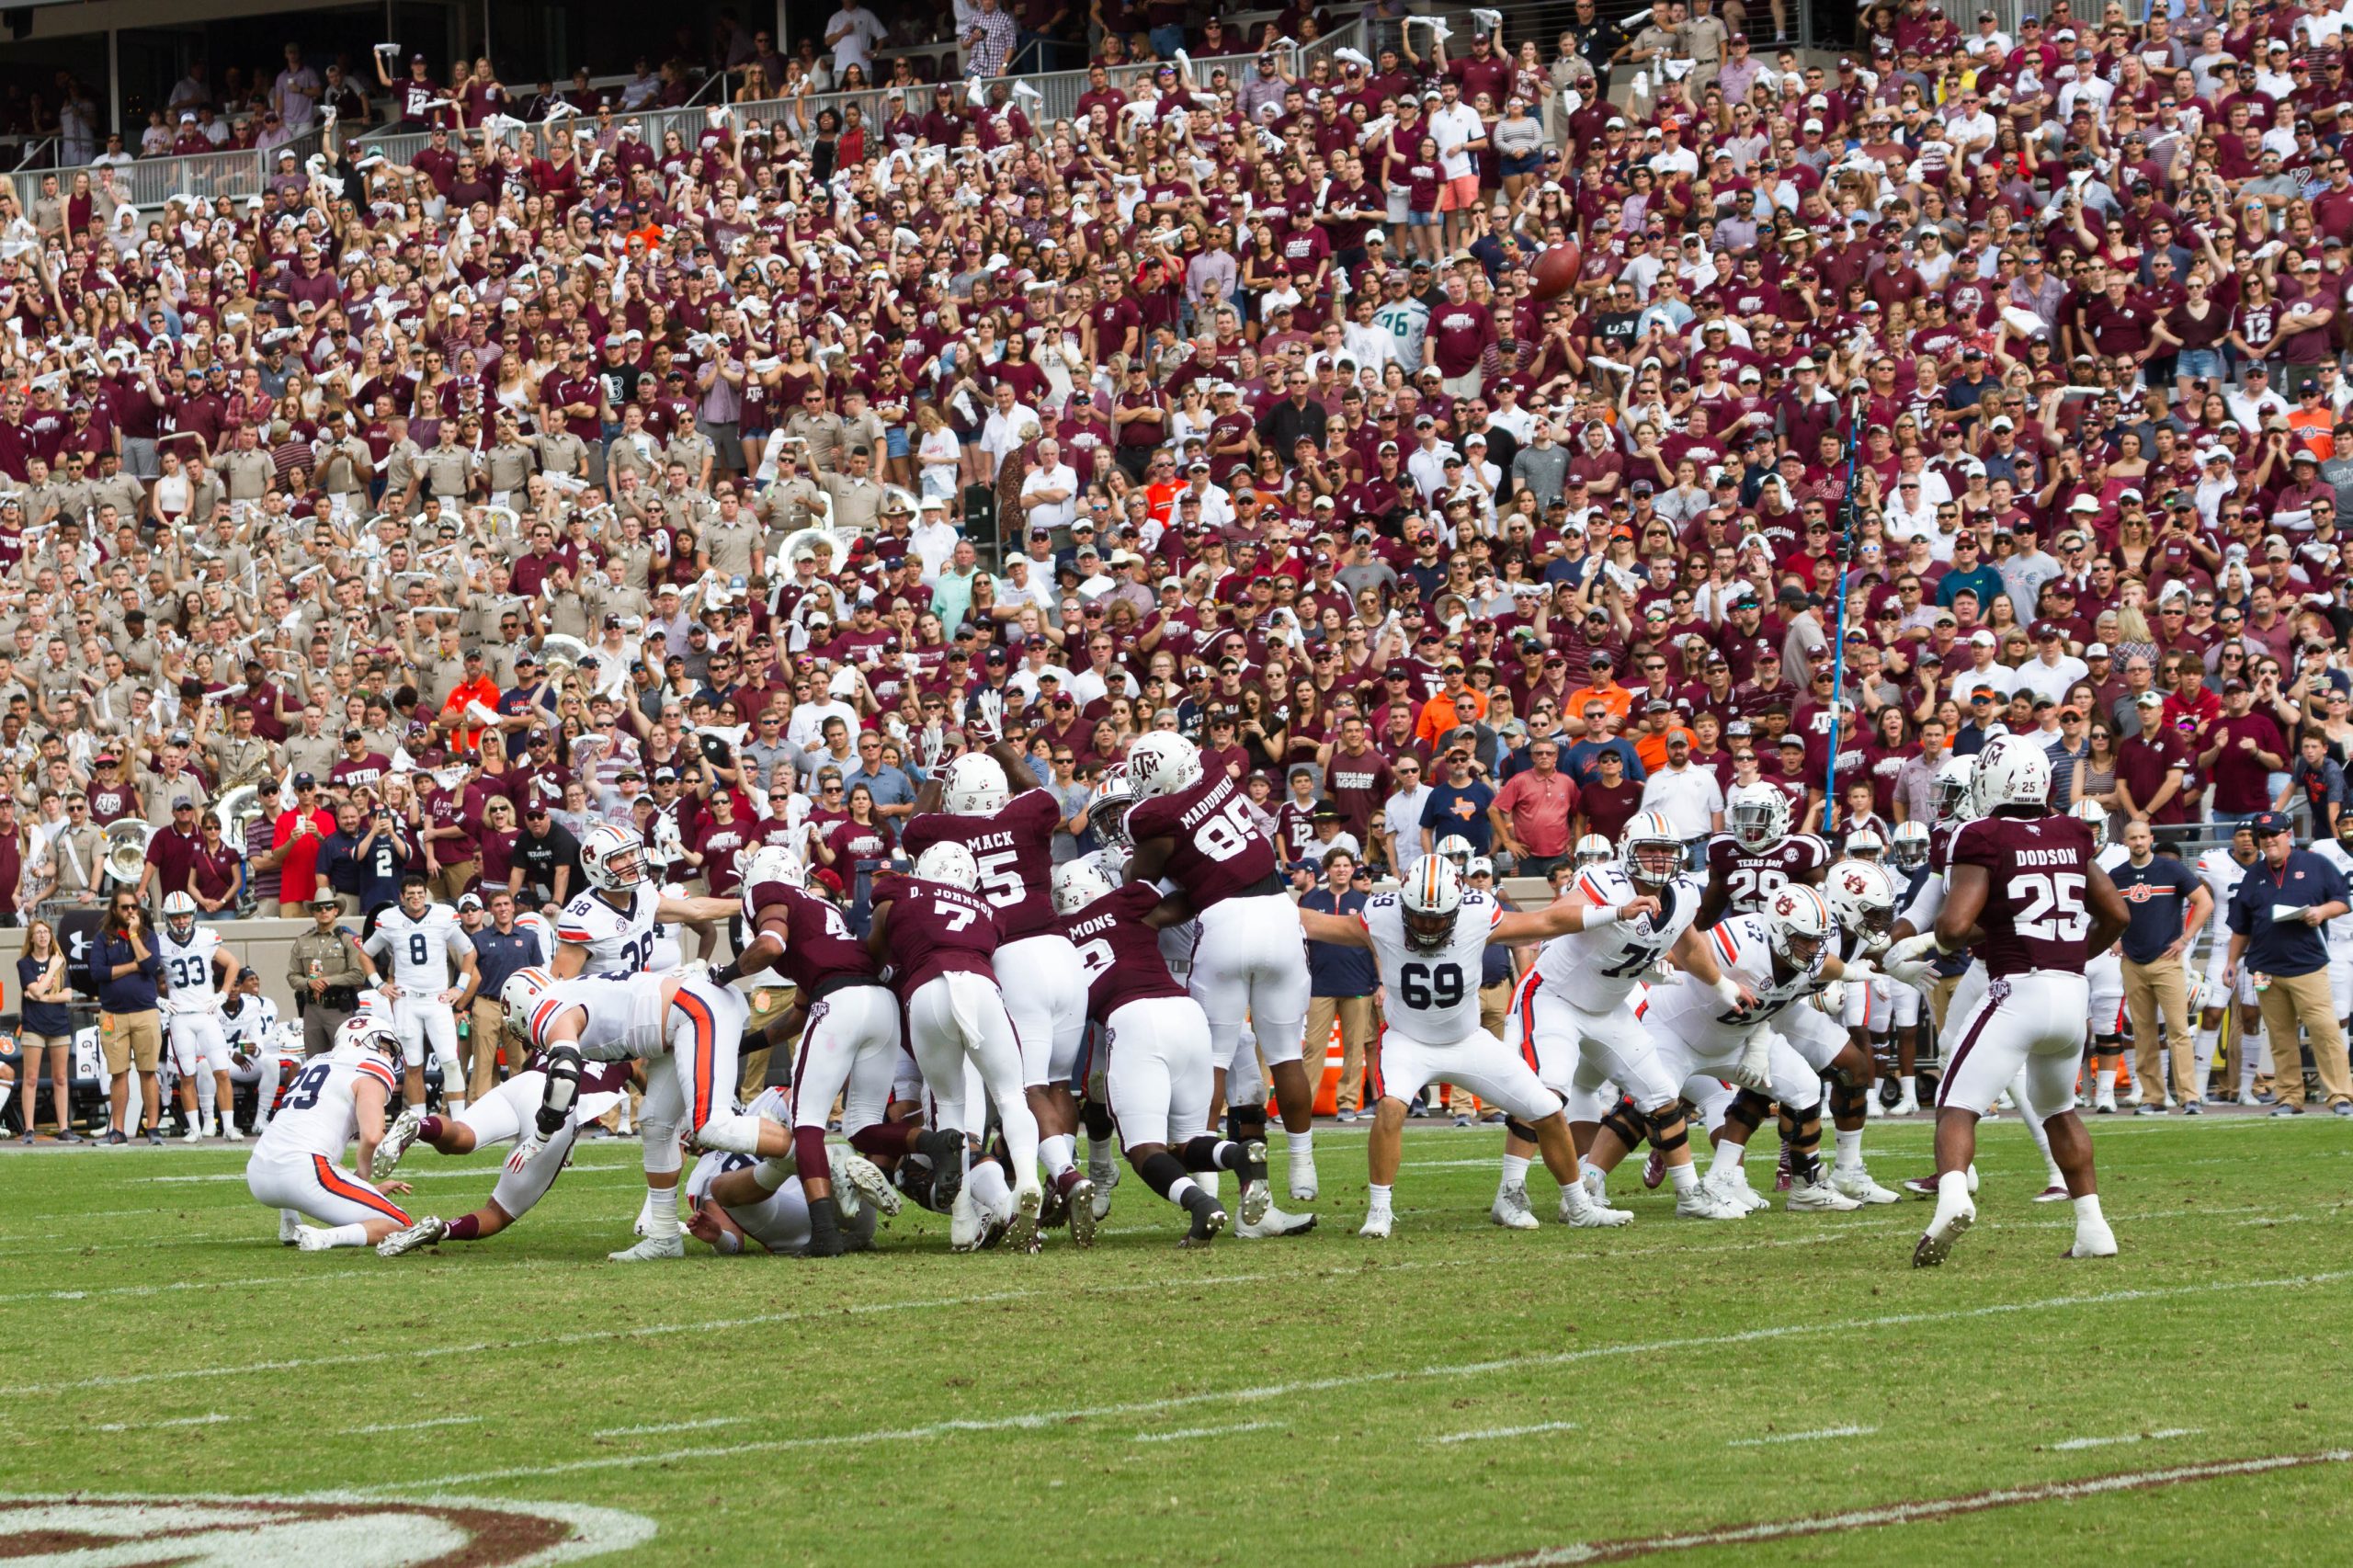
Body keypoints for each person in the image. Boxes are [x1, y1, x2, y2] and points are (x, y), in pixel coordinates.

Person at [1884, 734, 2131, 1266]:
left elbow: (1952, 927)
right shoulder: (2070, 830)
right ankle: (2093, 1228)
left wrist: (1925, 943)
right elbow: (2117, 915)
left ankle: (1951, 1199)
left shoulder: (1982, 835)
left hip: (2016, 989)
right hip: (2071, 994)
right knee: (2059, 1110)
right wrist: (2069, 954)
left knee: (1956, 1104)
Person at [1298, 856, 1633, 1238]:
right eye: (1419, 917)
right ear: (1403, 905)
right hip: (1408, 1041)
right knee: (1390, 1107)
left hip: (1468, 1041)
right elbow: (1317, 923)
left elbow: (1547, 921)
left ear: (1457, 907)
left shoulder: (1478, 914)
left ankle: (1578, 1206)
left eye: (1437, 918)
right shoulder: (1381, 915)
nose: (1426, 926)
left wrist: (1617, 912)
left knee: (1549, 1109)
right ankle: (1378, 1210)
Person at [1124, 731, 1319, 1236]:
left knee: (1211, 1067)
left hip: (1223, 927)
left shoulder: (1154, 821)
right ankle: (1303, 1164)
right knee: (1283, 1058)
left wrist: (1131, 860)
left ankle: (1210, 1194)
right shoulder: (1213, 768)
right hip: (1279, 913)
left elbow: (1140, 876)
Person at [867, 843, 1044, 1251]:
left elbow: (877, 940)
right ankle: (1029, 1181)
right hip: (979, 985)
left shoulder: (900, 890)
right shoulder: (989, 911)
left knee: (950, 1106)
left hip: (926, 991)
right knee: (1011, 1096)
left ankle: (963, 1220)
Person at [243, 1017, 415, 1250]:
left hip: (258, 1174)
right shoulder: (370, 1065)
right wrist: (362, 1179)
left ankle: (289, 1221)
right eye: (383, 1046)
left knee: (302, 1144)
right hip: (302, 1175)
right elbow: (373, 1137)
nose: (388, 1056)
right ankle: (325, 1238)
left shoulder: (314, 1062)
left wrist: (362, 1190)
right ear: (355, 1041)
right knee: (402, 1224)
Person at [2222, 812, 2353, 1116]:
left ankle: (2339, 1095)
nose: (2269, 839)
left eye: (2274, 833)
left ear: (2288, 834)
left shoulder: (2315, 864)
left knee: (2325, 1031)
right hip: (2265, 968)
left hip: (2307, 965)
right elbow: (2241, 926)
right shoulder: (2254, 875)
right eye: (2263, 834)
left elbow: (2342, 900)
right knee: (2280, 1037)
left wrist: (2321, 912)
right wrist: (2231, 961)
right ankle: (2290, 1097)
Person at [2109, 818, 2212, 1114]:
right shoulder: (2117, 876)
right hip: (2132, 962)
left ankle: (2189, 1097)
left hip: (2167, 961)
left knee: (2179, 1031)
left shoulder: (2171, 869)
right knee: (2143, 1033)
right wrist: (2112, 939)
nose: (2139, 842)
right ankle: (2153, 1098)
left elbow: (2204, 902)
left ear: (2151, 838)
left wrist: (2185, 939)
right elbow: (2101, 911)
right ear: (2126, 842)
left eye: (2143, 837)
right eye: (2133, 838)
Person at [363, 873, 480, 1117]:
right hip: (406, 1000)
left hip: (437, 999)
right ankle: (418, 1121)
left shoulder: (442, 916)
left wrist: (459, 987)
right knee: (413, 1064)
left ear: (425, 894)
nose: (416, 899)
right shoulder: (390, 919)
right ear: (401, 897)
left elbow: (469, 952)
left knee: (450, 1061)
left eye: (420, 893)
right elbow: (365, 954)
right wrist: (379, 984)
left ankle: (459, 1119)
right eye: (410, 895)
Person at [155, 891, 243, 1142]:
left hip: (206, 1013)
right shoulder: (159, 942)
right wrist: (157, 999)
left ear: (192, 915)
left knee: (222, 1071)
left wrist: (223, 994)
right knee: (187, 1075)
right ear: (167, 918)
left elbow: (233, 963)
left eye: (184, 916)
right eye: (176, 917)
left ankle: (228, 1126)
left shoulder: (206, 937)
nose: (181, 921)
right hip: (179, 1016)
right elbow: (142, 972)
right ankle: (194, 1127)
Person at [1300, 850, 1378, 1122]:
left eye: (1346, 866)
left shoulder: (1364, 902)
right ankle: (1303, 1105)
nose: (1342, 870)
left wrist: (1381, 984)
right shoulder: (1312, 900)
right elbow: (1300, 944)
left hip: (1358, 983)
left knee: (1355, 1048)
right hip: (1320, 984)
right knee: (1312, 1047)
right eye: (1337, 866)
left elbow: (1376, 946)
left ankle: (1347, 1103)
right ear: (1327, 870)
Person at [94, 888, 165, 1146]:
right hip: (113, 1014)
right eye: (125, 908)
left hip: (145, 1012)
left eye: (134, 907)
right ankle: (118, 1131)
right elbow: (98, 973)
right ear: (115, 910)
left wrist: (134, 935)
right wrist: (133, 966)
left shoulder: (147, 936)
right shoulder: (103, 938)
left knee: (148, 1071)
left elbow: (150, 966)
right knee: (118, 1073)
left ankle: (154, 1128)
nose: (130, 912)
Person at [15, 919, 76, 1142]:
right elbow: (35, 988)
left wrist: (44, 997)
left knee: (60, 1077)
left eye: (46, 932)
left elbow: (67, 995)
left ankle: (63, 1127)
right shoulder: (25, 964)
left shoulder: (61, 962)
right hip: (34, 1025)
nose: (42, 936)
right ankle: (29, 1129)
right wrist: (51, 969)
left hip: (59, 1024)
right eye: (38, 932)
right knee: (30, 1077)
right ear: (31, 938)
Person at [288, 895, 371, 1057]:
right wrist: (309, 983)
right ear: (313, 912)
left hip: (338, 1008)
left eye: (328, 907)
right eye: (318, 908)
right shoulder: (303, 940)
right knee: (314, 1059)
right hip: (311, 1007)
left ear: (336, 910)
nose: (323, 911)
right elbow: (292, 976)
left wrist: (328, 981)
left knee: (344, 1056)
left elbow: (358, 976)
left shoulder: (348, 938)